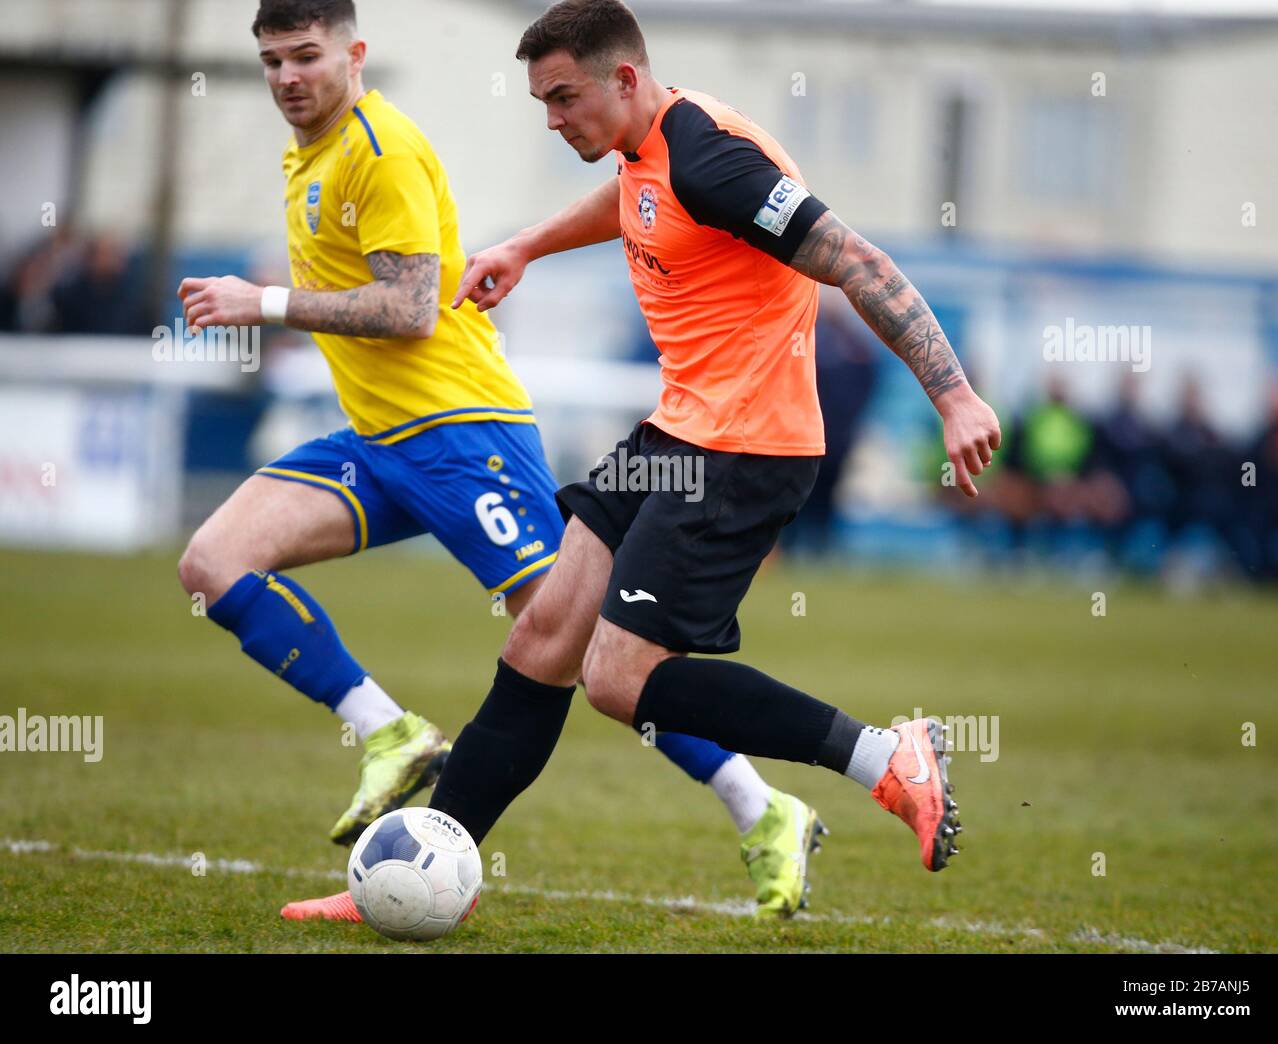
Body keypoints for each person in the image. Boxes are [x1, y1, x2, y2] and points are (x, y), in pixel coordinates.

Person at [290, 0, 1000, 928]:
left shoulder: (715, 159)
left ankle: (881, 757)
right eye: (542, 101)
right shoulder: (650, 143)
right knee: (542, 638)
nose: (552, 118)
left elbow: (857, 260)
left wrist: (953, 395)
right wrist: (526, 245)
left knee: (618, 681)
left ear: (623, 78)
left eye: (563, 97)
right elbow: (636, 197)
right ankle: (420, 862)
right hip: (675, 436)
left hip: (742, 450)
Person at [177, 0, 825, 919]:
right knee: (213, 562)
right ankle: (389, 731)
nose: (288, 77)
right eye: (272, 61)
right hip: (375, 439)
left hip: (459, 434)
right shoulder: (308, 154)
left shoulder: (379, 147)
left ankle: (764, 807)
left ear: (353, 53)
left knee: (573, 647)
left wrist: (266, 302)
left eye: (306, 56)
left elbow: (410, 308)